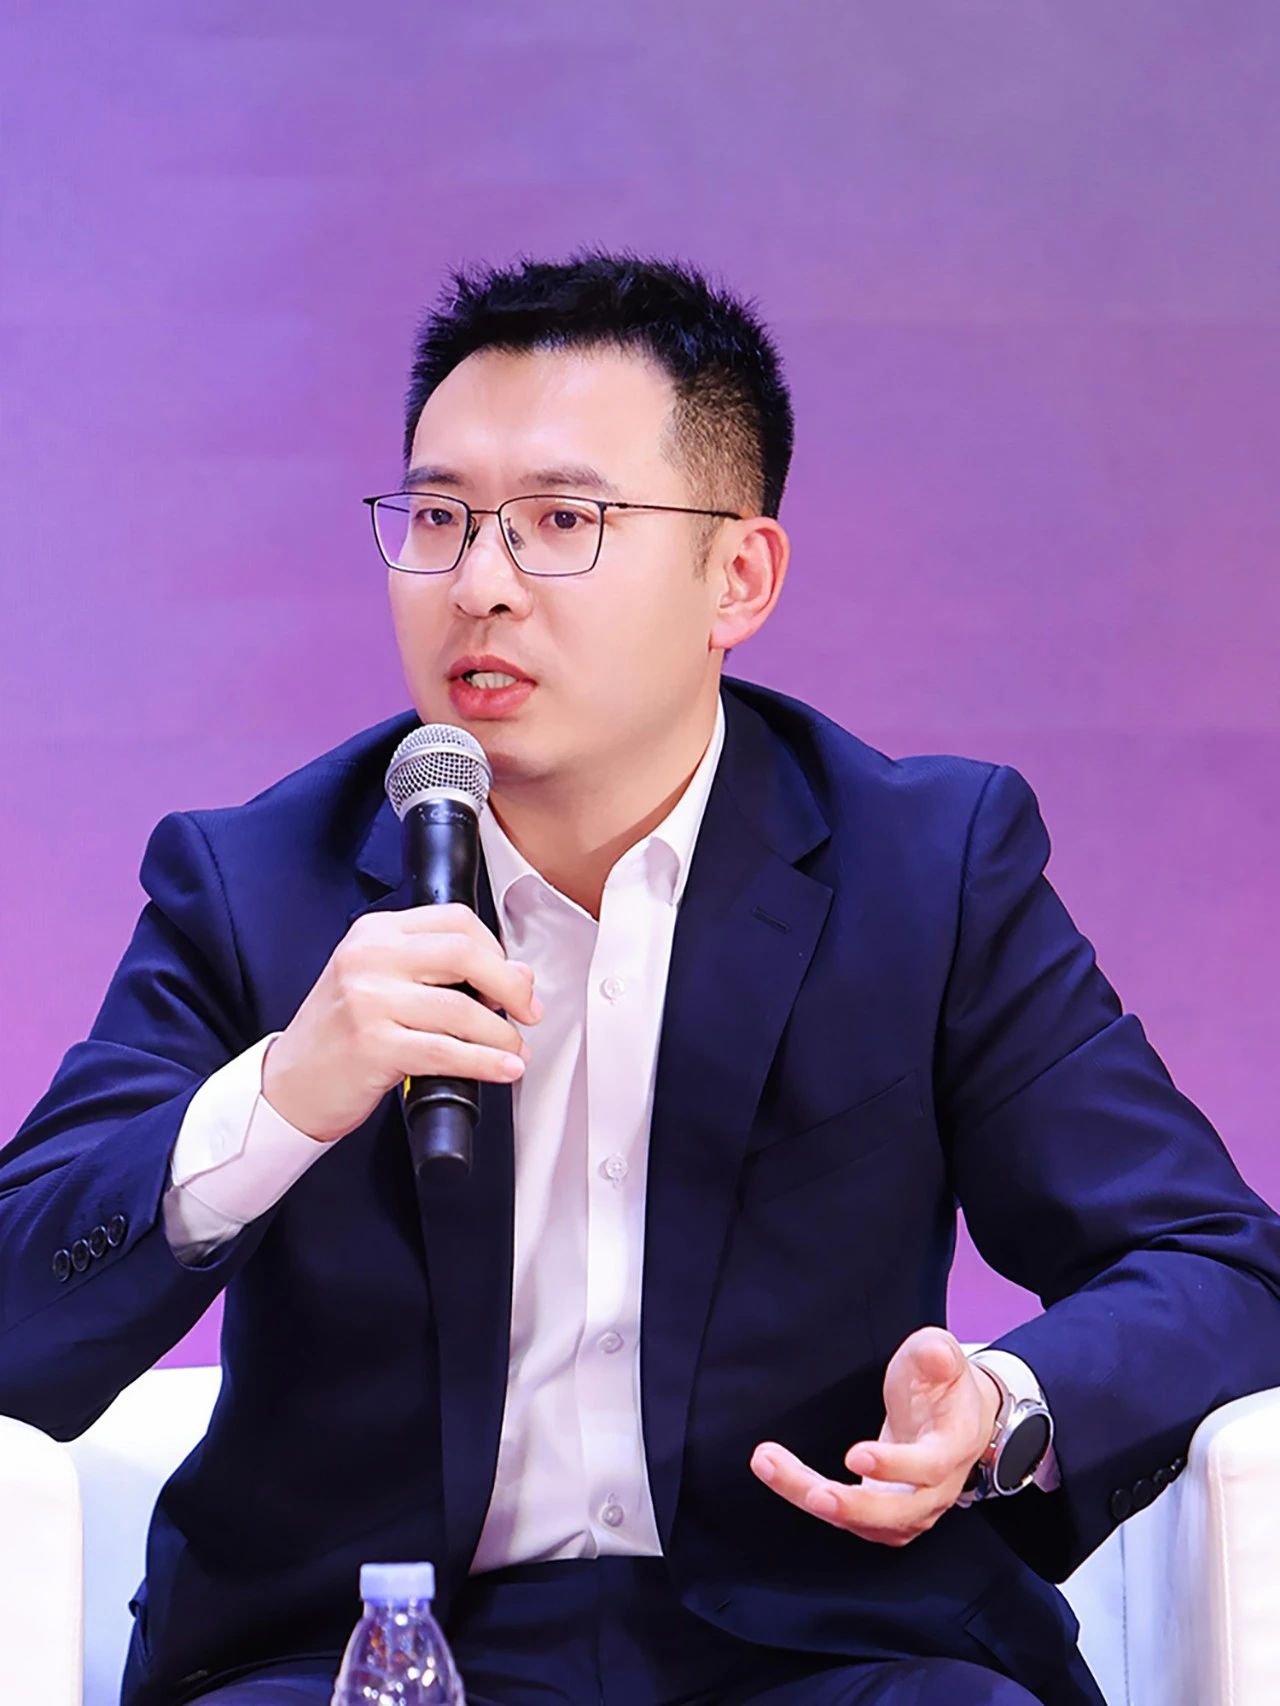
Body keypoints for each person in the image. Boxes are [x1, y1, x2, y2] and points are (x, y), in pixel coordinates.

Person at [2, 252, 1279, 1706]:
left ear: (739, 576)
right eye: (438, 519)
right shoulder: (256, 884)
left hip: (823, 1648)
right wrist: (279, 1100)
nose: (480, 585)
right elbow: (17, 1312)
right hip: (366, 1649)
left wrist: (1002, 1406)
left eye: (562, 521)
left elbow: (1219, 1263)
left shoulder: (924, 869)